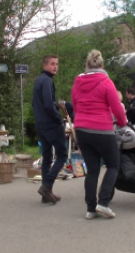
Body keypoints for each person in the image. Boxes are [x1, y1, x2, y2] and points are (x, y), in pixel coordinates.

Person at [71, 49, 127, 220]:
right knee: (113, 165)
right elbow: (116, 107)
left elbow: (74, 105)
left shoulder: (78, 82)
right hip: (102, 129)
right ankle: (103, 202)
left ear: (87, 65)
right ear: (102, 65)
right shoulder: (106, 82)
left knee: (93, 170)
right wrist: (123, 123)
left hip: (81, 129)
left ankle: (90, 208)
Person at [32, 55, 68, 204]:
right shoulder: (47, 81)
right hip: (50, 124)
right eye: (52, 64)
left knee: (47, 158)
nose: (55, 67)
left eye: (57, 64)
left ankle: (46, 194)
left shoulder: (39, 80)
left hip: (40, 123)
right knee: (62, 156)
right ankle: (47, 187)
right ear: (45, 65)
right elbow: (48, 104)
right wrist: (58, 118)